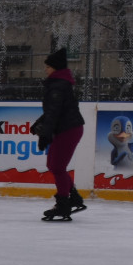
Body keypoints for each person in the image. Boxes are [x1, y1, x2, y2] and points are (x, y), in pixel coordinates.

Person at [34, 48, 85, 221]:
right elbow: (53, 111)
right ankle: (73, 198)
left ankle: (64, 205)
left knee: (57, 167)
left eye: (47, 67)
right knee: (53, 165)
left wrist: (44, 135)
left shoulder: (58, 85)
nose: (45, 70)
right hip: (67, 128)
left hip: (68, 130)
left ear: (55, 68)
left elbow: (54, 112)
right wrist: (39, 125)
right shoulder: (59, 84)